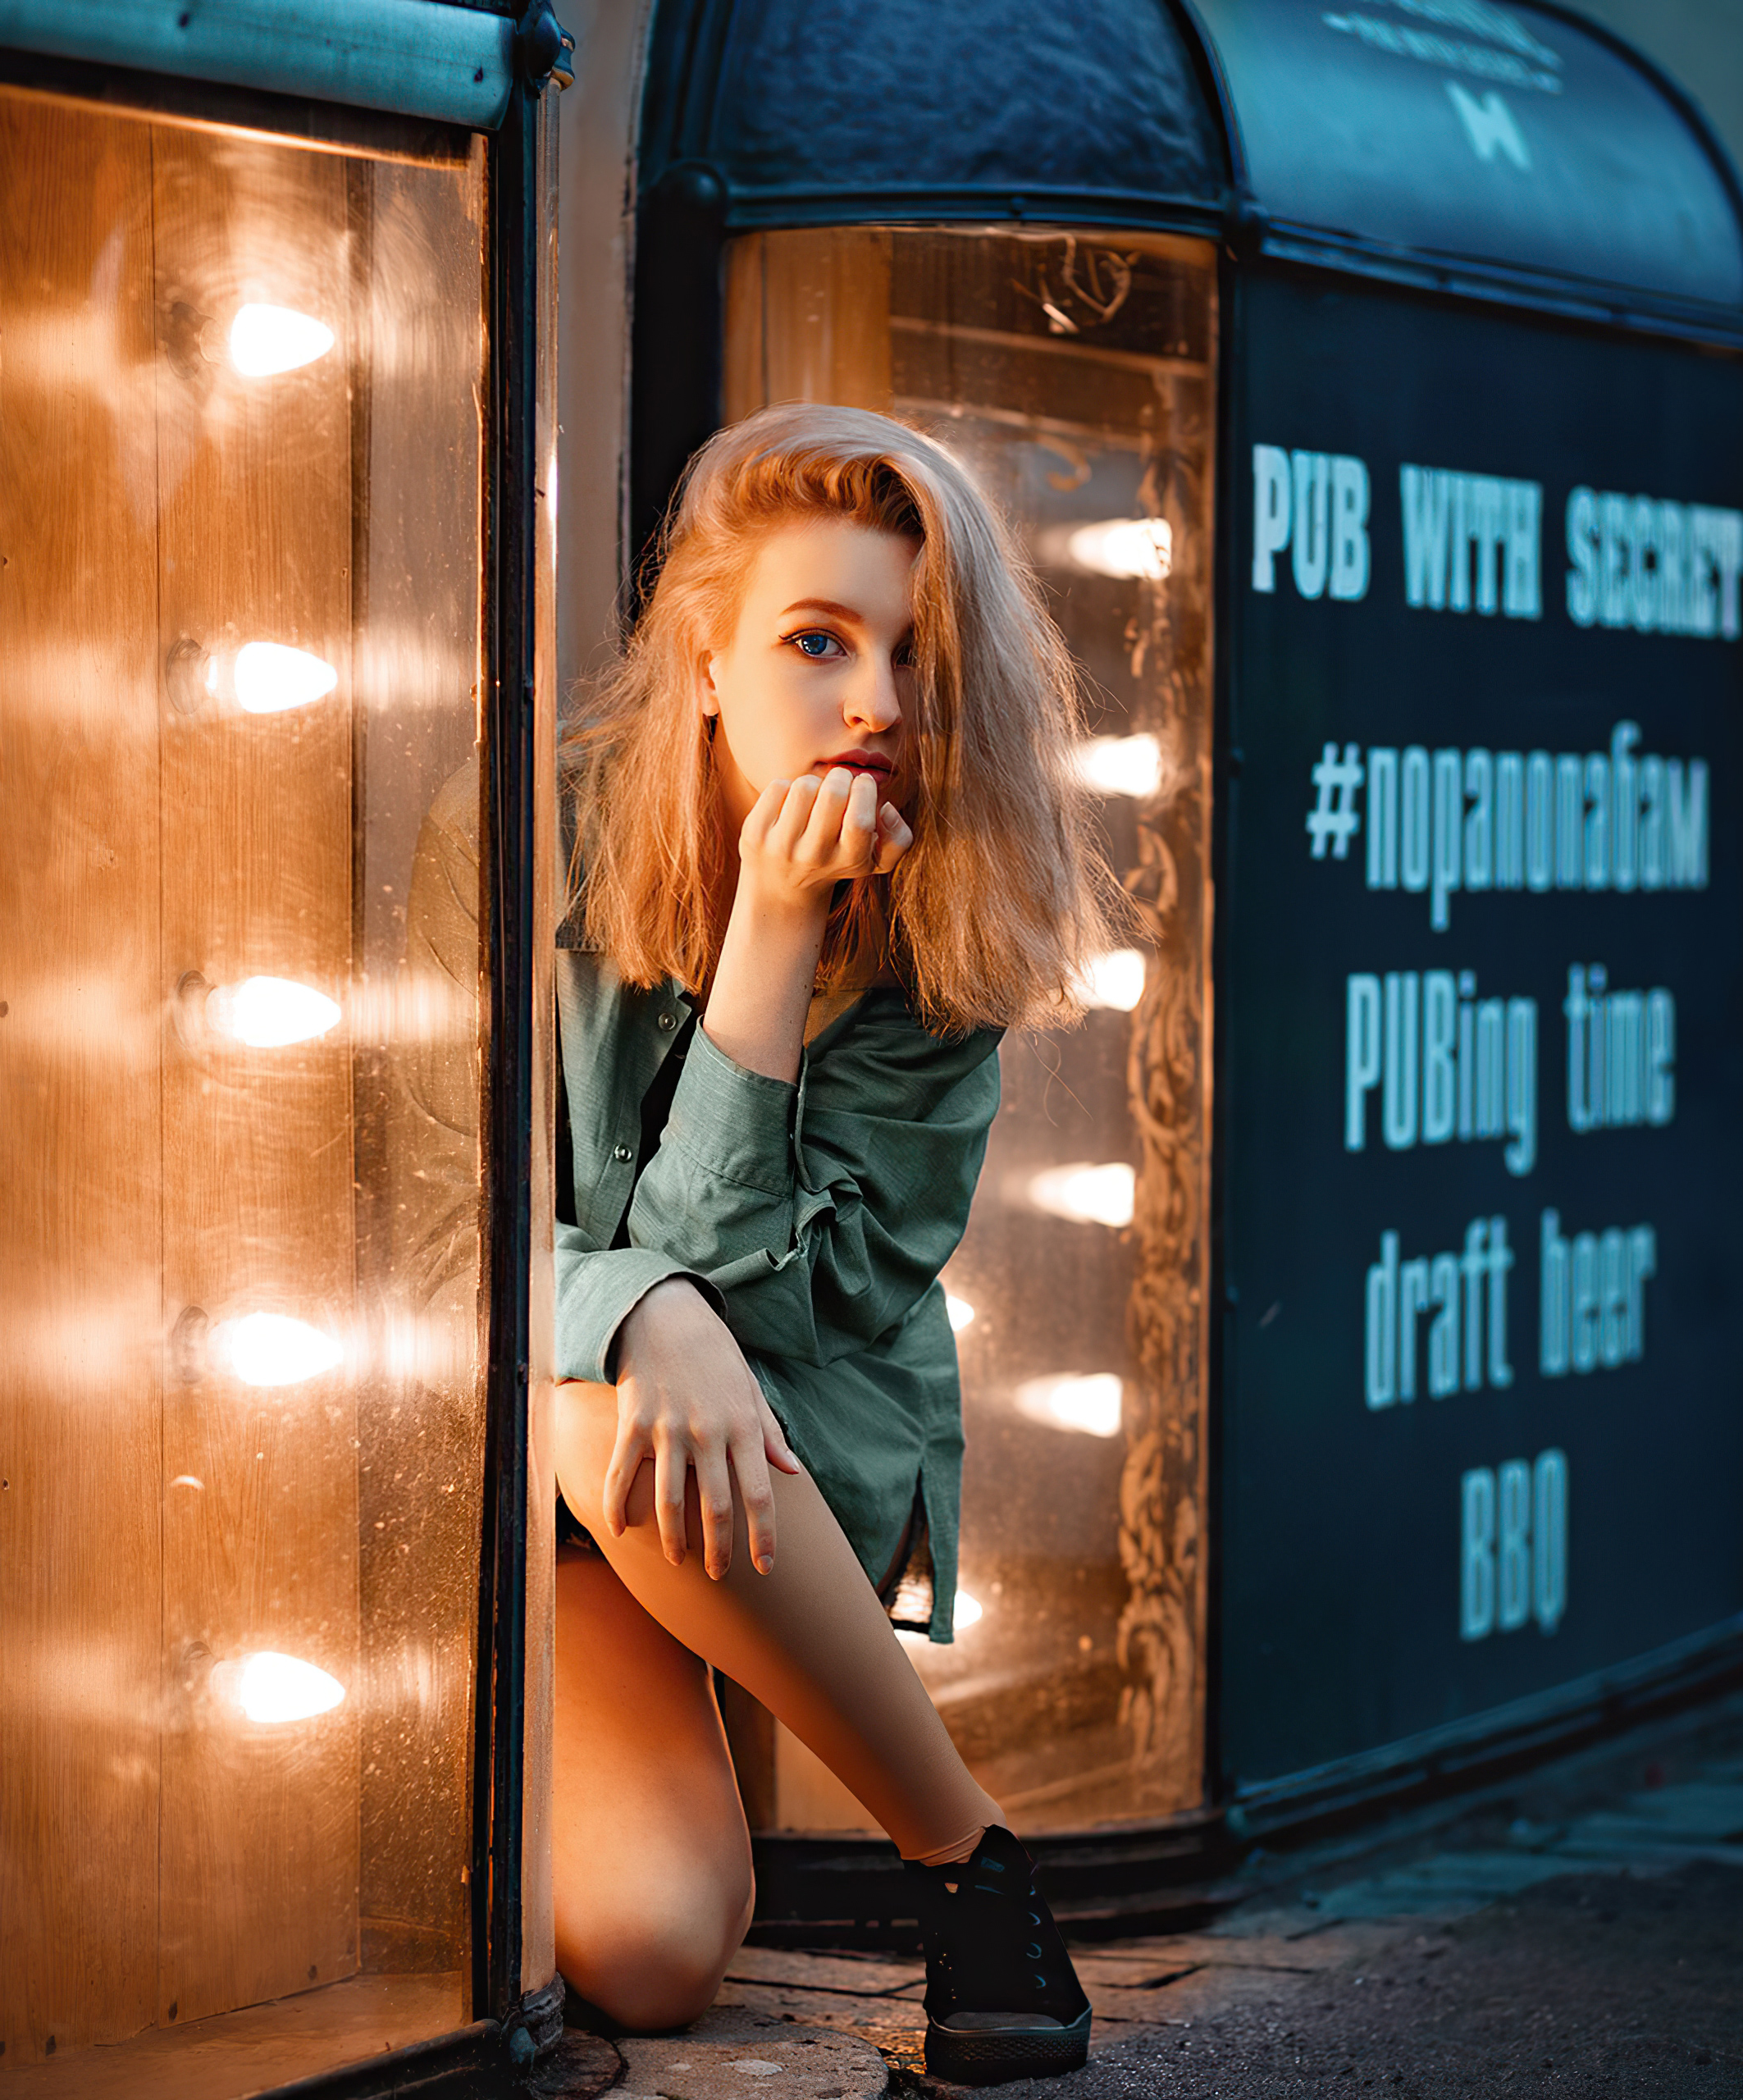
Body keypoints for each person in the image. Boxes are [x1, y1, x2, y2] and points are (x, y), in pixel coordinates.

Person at [550, 402, 1122, 2082]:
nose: (875, 700)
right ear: (705, 659)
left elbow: (794, 1305)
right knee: (651, 1950)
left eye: (913, 654)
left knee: (649, 1954)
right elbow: (446, 1222)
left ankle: (964, 1868)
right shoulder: (530, 831)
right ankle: (963, 1846)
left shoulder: (941, 923)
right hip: (538, 1433)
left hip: (778, 1452)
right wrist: (636, 1304)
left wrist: (778, 933)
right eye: (818, 640)